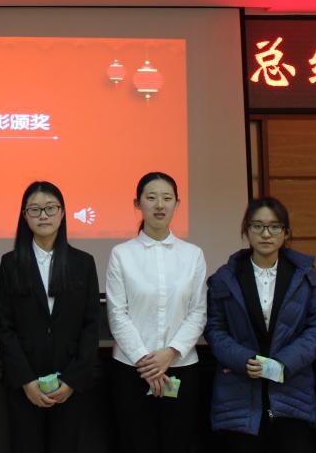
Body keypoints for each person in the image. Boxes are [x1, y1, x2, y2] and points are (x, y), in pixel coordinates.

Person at [205, 196, 316, 453]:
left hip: (292, 390)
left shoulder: (305, 276)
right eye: (258, 226)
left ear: (286, 233)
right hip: (239, 392)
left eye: (274, 227)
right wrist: (244, 360)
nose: (266, 234)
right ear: (246, 230)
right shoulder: (225, 278)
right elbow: (215, 330)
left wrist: (283, 364)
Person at [106, 172, 206, 453]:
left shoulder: (193, 255)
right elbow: (117, 314)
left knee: (178, 443)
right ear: (137, 203)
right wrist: (146, 361)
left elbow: (198, 312)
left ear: (177, 204)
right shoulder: (121, 254)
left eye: (167, 198)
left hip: (181, 366)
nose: (159, 205)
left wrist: (170, 353)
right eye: (151, 198)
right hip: (131, 369)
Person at [0, 181, 100, 453]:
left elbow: (91, 325)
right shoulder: (10, 263)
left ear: (62, 213)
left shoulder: (83, 263)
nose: (43, 215)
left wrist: (72, 381)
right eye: (35, 209)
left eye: (50, 208)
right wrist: (26, 381)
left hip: (69, 381)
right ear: (24, 215)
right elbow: (4, 327)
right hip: (25, 383)